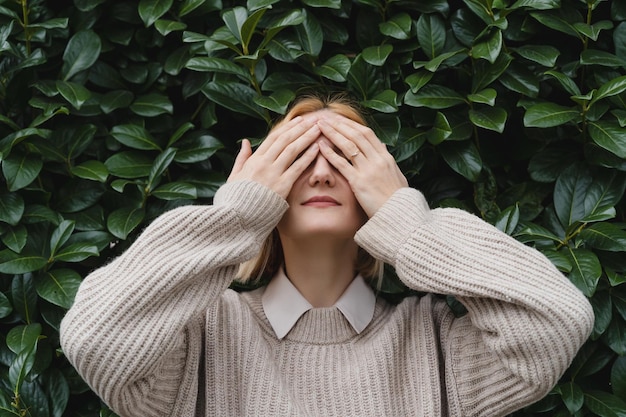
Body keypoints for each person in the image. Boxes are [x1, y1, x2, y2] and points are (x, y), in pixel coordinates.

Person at [60, 93, 594, 417]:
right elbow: (93, 339)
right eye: (297, 160)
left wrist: (408, 221)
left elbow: (557, 323)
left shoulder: (435, 347)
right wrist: (237, 216)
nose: (318, 174)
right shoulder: (203, 336)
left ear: (374, 187)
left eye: (343, 160)